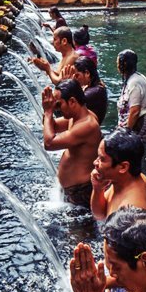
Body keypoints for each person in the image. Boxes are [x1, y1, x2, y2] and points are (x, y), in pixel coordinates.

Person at [42, 79, 102, 208]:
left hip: (80, 193)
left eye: (59, 105)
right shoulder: (76, 118)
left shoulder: (87, 125)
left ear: (72, 101)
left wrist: (48, 112)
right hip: (72, 190)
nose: (57, 109)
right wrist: (49, 110)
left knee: (79, 229)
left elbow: (49, 143)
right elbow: (51, 126)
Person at [90, 128, 146, 221]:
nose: (95, 162)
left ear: (123, 167)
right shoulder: (125, 179)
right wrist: (98, 189)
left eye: (102, 159)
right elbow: (100, 215)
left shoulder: (129, 214)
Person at [116, 49, 146, 143]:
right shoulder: (134, 78)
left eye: (118, 62)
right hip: (137, 122)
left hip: (140, 123)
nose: (117, 65)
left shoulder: (134, 82)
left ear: (124, 64)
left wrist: (126, 132)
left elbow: (135, 111)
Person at [62, 56, 107, 124]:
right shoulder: (93, 85)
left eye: (77, 75)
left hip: (87, 129)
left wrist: (68, 85)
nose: (75, 78)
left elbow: (71, 106)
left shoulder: (95, 91)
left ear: (87, 73)